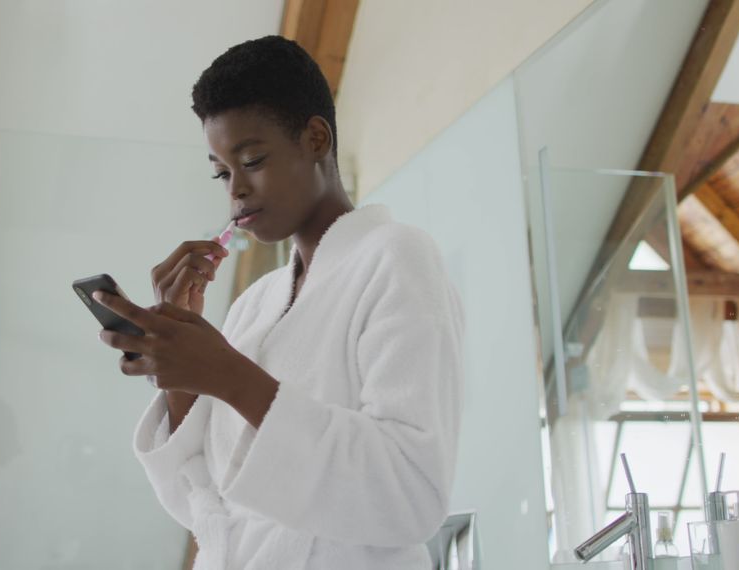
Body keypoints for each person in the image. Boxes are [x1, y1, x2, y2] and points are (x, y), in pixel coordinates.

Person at [93, 34, 466, 569]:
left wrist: (226, 374)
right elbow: (206, 505)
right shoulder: (255, 304)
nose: (235, 191)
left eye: (252, 160)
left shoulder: (398, 258)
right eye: (222, 172)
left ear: (315, 138)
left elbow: (410, 495)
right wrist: (181, 361)